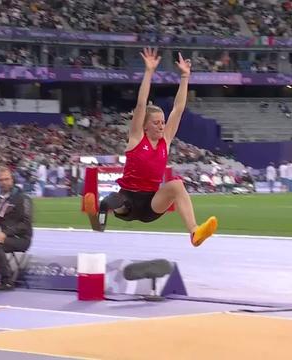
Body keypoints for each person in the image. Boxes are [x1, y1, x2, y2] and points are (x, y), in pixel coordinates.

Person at [84, 48, 217, 247]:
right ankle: (97, 222)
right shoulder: (137, 138)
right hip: (128, 199)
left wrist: (184, 76)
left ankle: (194, 232)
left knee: (177, 185)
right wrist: (148, 72)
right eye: (156, 123)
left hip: (151, 204)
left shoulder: (166, 140)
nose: (162, 126)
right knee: (109, 201)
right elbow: (140, 105)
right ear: (145, 125)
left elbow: (178, 109)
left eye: (163, 122)